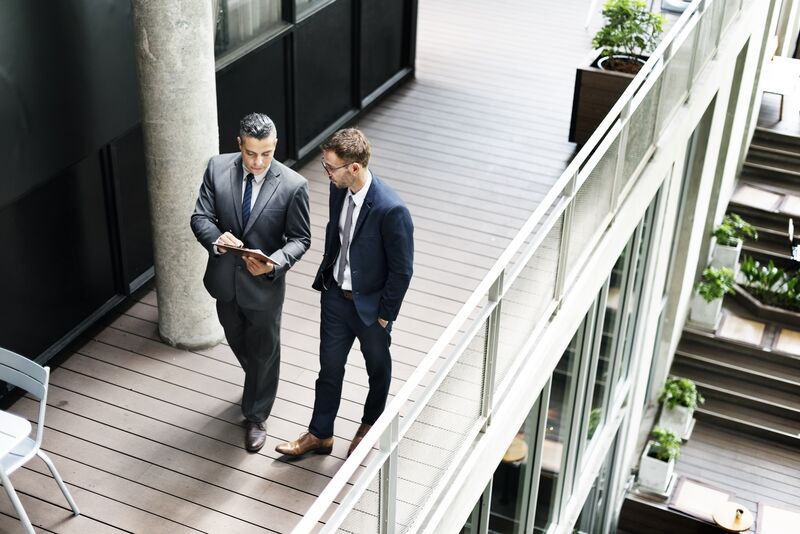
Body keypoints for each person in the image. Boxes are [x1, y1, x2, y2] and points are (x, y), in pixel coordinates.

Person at [276, 128, 413, 458]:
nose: (326, 172)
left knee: (377, 370)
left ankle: (369, 426)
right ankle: (320, 434)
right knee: (329, 370)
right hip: (336, 298)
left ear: (354, 167)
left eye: (330, 167)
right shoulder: (339, 189)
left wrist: (384, 315)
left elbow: (402, 269)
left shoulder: (391, 210)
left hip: (371, 309)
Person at [191, 112, 311, 452]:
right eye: (251, 153)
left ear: (275, 146)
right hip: (225, 283)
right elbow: (200, 216)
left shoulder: (293, 185)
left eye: (267, 153)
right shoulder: (217, 168)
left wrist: (275, 264)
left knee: (264, 351)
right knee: (239, 341)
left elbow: (300, 238)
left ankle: (256, 415)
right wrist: (217, 238)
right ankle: (260, 379)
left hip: (264, 287)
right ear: (239, 144)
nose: (258, 162)